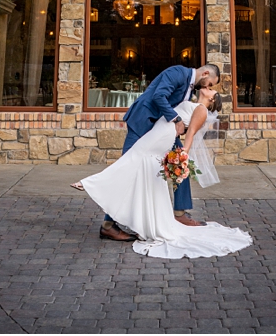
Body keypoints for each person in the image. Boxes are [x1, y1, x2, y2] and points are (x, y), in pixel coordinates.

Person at [73, 85, 252, 259]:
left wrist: (182, 158)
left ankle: (90, 184)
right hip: (159, 131)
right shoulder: (190, 100)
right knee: (139, 164)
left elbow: (189, 137)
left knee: (134, 158)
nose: (209, 87)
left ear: (211, 99)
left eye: (212, 89)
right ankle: (142, 219)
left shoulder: (201, 110)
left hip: (163, 135)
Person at [95, 63, 219, 241]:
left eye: (211, 88)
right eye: (210, 83)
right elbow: (159, 96)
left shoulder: (190, 90)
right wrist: (176, 119)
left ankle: (179, 212)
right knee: (128, 169)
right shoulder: (177, 73)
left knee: (181, 160)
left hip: (161, 129)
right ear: (205, 73)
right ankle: (108, 225)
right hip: (142, 122)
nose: (208, 87)